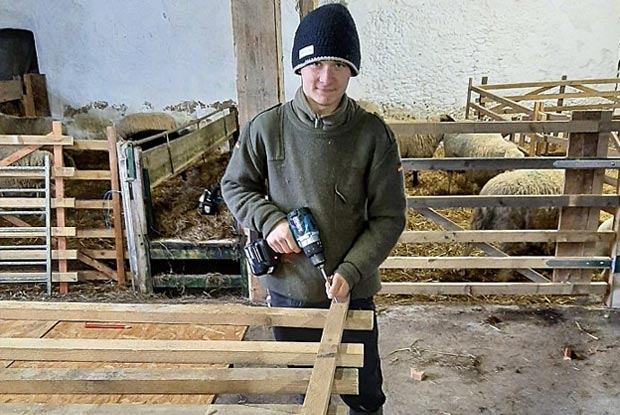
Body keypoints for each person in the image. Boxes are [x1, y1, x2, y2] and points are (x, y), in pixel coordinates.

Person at [221, 4, 406, 414]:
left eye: (339, 64)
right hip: (291, 291)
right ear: (299, 66)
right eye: (316, 63)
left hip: (351, 293)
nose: (326, 77)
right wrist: (270, 221)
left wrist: (352, 270)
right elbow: (235, 185)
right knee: (304, 389)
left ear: (352, 69)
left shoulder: (373, 135)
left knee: (364, 393)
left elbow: (390, 217)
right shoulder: (266, 129)